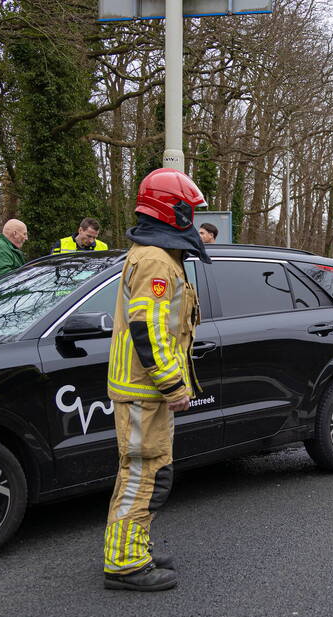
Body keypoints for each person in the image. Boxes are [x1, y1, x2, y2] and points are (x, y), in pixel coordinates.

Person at [102, 168, 211, 592]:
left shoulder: (154, 255)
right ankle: (125, 564)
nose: (193, 218)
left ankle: (134, 548)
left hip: (143, 390)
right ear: (173, 209)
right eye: (189, 209)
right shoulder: (154, 260)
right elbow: (149, 328)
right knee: (144, 473)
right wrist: (173, 385)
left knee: (147, 471)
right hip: (144, 391)